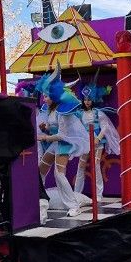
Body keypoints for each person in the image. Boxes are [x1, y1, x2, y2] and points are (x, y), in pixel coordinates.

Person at [35, 64, 90, 217]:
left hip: (64, 144)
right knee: (40, 171)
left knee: (59, 174)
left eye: (46, 96)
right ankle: (39, 200)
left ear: (54, 95)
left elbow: (62, 135)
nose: (44, 99)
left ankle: (73, 205)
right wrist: (45, 129)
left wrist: (44, 136)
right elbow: (53, 130)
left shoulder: (63, 112)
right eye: (43, 96)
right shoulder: (51, 110)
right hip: (56, 143)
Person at [73, 76, 120, 201]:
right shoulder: (79, 113)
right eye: (85, 99)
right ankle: (76, 193)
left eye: (89, 99)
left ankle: (99, 194)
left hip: (97, 142)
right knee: (81, 166)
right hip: (84, 142)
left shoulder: (98, 112)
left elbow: (105, 127)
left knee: (96, 165)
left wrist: (98, 139)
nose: (87, 102)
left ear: (93, 99)